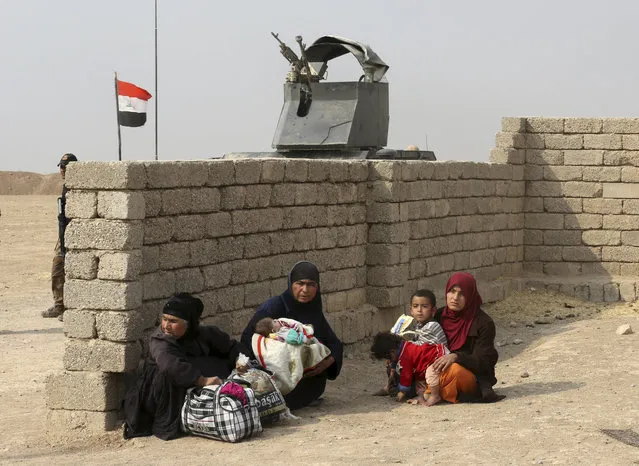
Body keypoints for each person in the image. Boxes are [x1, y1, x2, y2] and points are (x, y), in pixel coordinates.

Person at [123, 292, 250, 440]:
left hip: (187, 381)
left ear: (188, 324)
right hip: (161, 393)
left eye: (173, 321)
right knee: (169, 372)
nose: (166, 326)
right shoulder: (161, 340)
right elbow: (170, 366)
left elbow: (232, 345)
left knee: (217, 359)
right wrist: (202, 381)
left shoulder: (202, 334)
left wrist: (239, 361)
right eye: (164, 319)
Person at [241, 261, 344, 410]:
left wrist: (327, 362)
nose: (305, 290)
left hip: (306, 383)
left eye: (311, 285)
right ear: (290, 284)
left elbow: (335, 343)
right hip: (274, 377)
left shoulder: (314, 310)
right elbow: (247, 340)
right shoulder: (275, 306)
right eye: (300, 283)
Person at [430, 272, 505, 403]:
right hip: (437, 368)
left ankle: (435, 391)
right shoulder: (439, 315)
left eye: (462, 294)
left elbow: (482, 361)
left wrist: (456, 357)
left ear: (470, 296)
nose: (455, 298)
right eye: (452, 291)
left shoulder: (483, 323)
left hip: (470, 374)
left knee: (454, 370)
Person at [374, 289, 446, 397]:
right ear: (411, 310)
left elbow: (418, 349)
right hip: (421, 363)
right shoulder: (417, 325)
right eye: (416, 306)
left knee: (402, 359)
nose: (419, 310)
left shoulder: (432, 326)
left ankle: (399, 388)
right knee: (391, 359)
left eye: (425, 306)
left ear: (433, 310)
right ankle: (391, 385)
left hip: (432, 365)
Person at [42, 153, 77, 319]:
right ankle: (59, 305)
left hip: (76, 234)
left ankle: (71, 308)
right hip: (64, 233)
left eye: (65, 167)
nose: (62, 170)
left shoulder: (79, 187)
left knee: (74, 272)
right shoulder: (66, 187)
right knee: (57, 268)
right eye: (61, 167)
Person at [371, 331, 448, 406]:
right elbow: (394, 360)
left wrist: (402, 392)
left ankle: (435, 396)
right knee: (419, 384)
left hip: (436, 357)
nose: (389, 360)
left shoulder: (406, 355)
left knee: (431, 375)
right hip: (424, 363)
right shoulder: (402, 347)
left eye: (388, 357)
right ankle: (420, 396)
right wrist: (392, 368)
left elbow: (406, 375)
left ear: (392, 352)